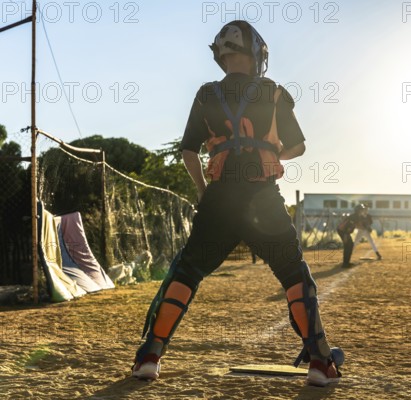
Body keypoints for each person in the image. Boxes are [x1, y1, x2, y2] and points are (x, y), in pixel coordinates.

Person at [131, 20, 342, 387]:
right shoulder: (273, 92)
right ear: (257, 53)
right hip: (262, 197)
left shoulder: (206, 94)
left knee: (186, 273)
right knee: (293, 274)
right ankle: (320, 363)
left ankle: (150, 356)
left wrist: (202, 190)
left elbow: (188, 151)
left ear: (222, 55)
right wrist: (272, 152)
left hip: (219, 198)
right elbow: (298, 146)